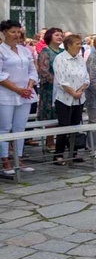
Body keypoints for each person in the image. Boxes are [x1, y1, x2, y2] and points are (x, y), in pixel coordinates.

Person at [0, 20, 38, 174]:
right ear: (4, 33)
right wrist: (17, 89)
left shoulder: (24, 50)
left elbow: (32, 70)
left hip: (25, 94)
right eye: (12, 31)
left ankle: (18, 159)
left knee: (20, 128)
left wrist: (28, 87)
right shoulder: (1, 50)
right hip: (6, 94)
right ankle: (5, 162)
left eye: (18, 32)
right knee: (5, 128)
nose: (16, 35)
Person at [52, 34, 89, 166]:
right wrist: (73, 92)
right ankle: (58, 154)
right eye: (77, 44)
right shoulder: (60, 58)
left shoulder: (80, 59)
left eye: (81, 44)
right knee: (64, 126)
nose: (80, 46)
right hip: (64, 98)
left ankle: (73, 153)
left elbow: (86, 77)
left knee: (75, 125)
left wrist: (81, 90)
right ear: (68, 45)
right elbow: (61, 80)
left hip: (79, 98)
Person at [37, 27, 65, 153]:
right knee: (50, 114)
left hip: (64, 88)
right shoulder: (45, 52)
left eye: (61, 35)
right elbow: (43, 71)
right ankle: (50, 141)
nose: (60, 37)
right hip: (49, 88)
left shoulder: (63, 52)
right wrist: (57, 82)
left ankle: (62, 140)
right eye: (57, 35)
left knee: (61, 113)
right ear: (50, 37)